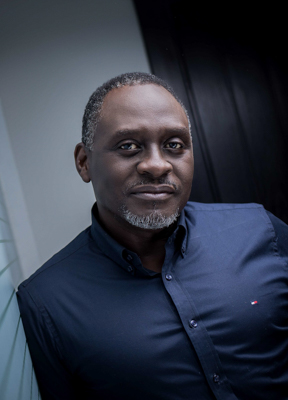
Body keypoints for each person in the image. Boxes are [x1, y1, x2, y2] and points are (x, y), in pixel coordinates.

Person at [17, 72, 288, 400]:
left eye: (174, 145)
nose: (157, 165)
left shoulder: (262, 230)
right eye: (128, 146)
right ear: (84, 162)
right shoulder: (46, 303)